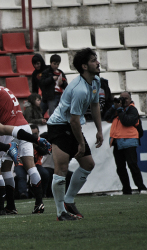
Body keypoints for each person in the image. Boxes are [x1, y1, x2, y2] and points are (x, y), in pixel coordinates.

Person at [47, 48, 103, 221]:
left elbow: (94, 106)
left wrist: (100, 130)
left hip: (71, 125)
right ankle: (60, 212)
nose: (98, 62)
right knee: (61, 168)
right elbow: (73, 120)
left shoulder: (95, 81)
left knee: (88, 164)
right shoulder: (79, 89)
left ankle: (68, 201)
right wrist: (81, 143)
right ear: (84, 66)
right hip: (59, 126)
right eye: (94, 60)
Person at [0, 84, 51, 215]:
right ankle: (39, 203)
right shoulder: (2, 89)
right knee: (31, 166)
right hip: (25, 126)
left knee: (5, 168)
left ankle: (11, 206)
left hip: (10, 129)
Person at [104, 91, 147, 195]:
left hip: (129, 141)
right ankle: (126, 189)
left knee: (132, 165)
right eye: (121, 98)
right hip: (117, 142)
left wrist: (119, 110)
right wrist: (114, 107)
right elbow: (106, 117)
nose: (123, 100)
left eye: (126, 98)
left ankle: (141, 187)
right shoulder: (117, 109)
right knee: (120, 167)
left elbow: (127, 121)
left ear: (130, 99)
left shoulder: (132, 110)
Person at [14, 125, 50, 199]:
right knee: (21, 176)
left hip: (36, 164)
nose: (33, 135)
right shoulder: (21, 140)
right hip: (21, 163)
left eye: (35, 134)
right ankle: (23, 193)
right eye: (32, 134)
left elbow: (44, 152)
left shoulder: (40, 141)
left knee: (45, 174)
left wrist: (35, 145)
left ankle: (42, 193)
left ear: (38, 133)